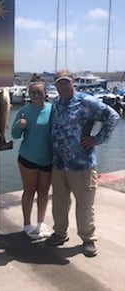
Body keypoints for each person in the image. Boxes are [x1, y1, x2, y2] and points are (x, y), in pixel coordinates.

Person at [46, 70, 120, 257]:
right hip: (59, 164)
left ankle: (87, 239)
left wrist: (97, 139)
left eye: (66, 83)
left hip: (82, 165)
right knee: (59, 203)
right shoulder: (56, 103)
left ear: (73, 83)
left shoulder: (86, 101)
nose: (62, 87)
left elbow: (113, 116)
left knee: (85, 204)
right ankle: (59, 233)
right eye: (59, 83)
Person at [11, 74, 53, 239]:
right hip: (28, 158)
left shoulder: (52, 109)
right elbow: (14, 135)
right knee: (29, 191)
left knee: (43, 192)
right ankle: (27, 224)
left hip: (48, 159)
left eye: (38, 92)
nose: (35, 95)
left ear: (45, 93)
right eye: (32, 92)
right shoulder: (24, 111)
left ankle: (41, 223)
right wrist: (19, 126)